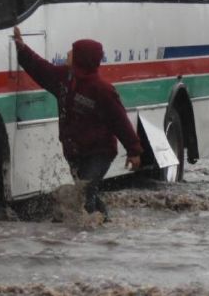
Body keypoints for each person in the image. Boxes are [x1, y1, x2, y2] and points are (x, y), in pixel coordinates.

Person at [13, 27, 143, 220]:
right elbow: (40, 68)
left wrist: (134, 150)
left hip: (100, 152)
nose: (67, 53)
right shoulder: (63, 79)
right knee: (86, 192)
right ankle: (106, 226)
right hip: (74, 151)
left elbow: (120, 121)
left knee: (84, 192)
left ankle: (87, 237)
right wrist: (22, 50)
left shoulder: (102, 90)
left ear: (82, 59)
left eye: (72, 51)